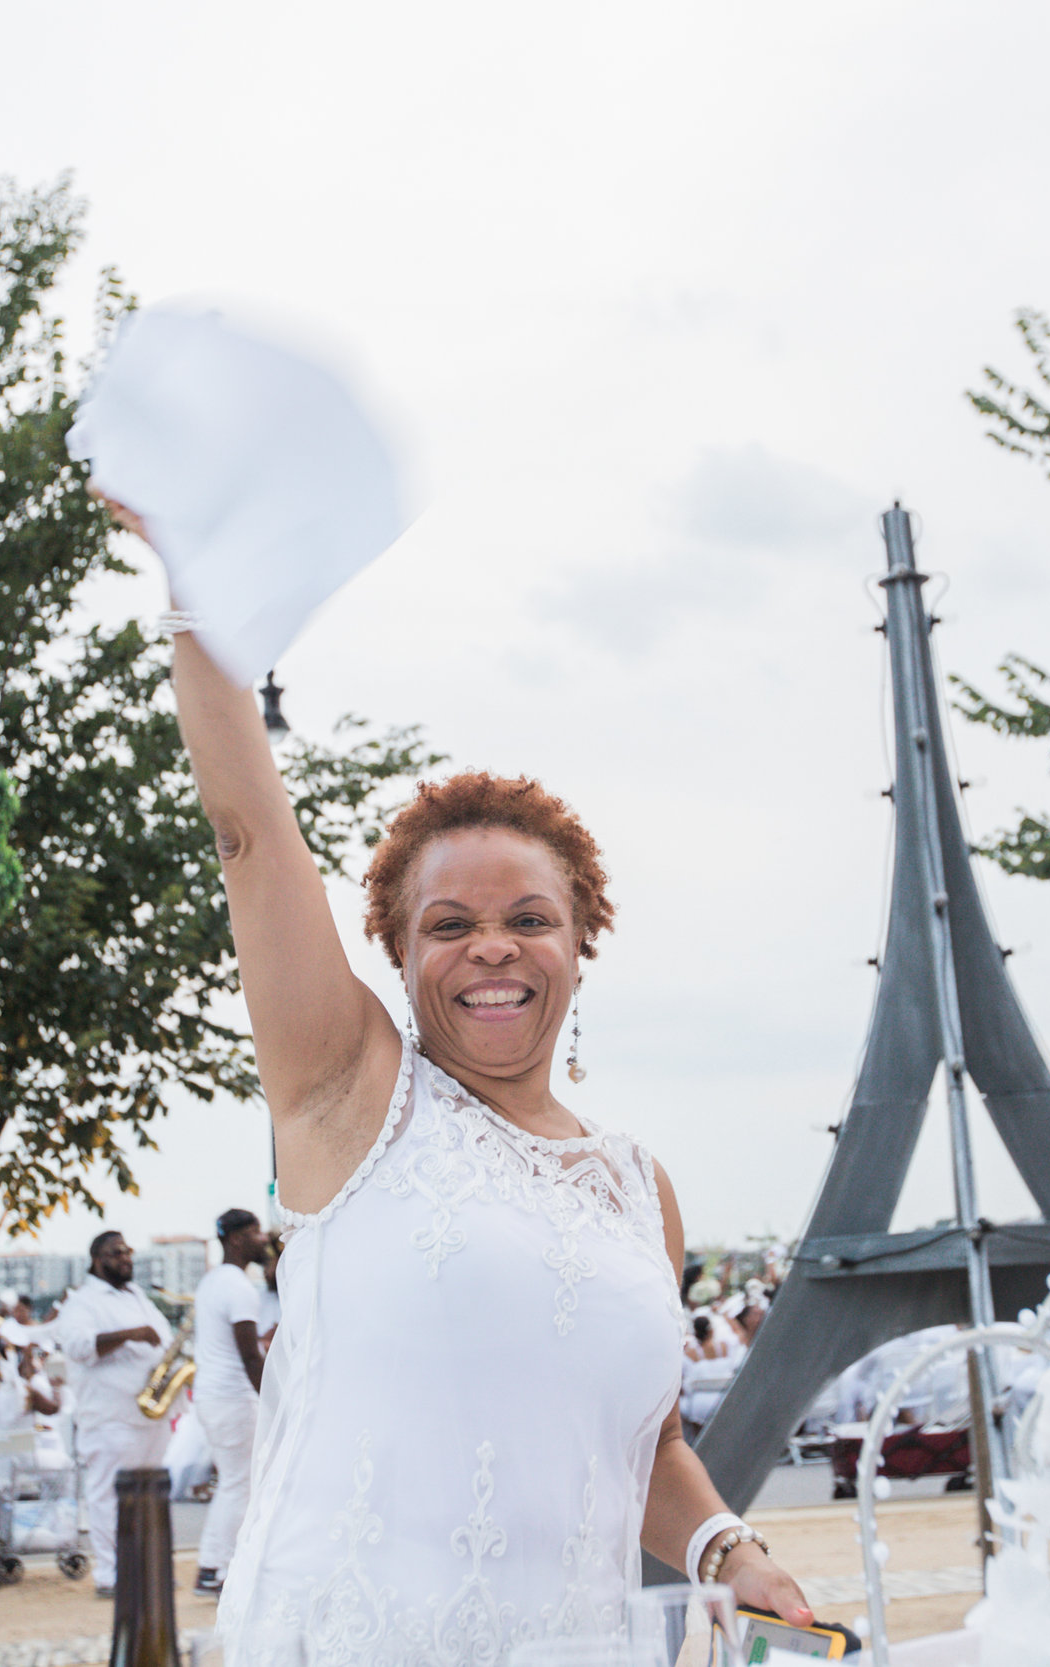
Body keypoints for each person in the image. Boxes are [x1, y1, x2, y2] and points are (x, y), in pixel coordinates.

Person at [143, 576, 815, 1664]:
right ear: (399, 955)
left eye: (528, 918)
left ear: (578, 941)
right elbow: (252, 837)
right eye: (449, 923)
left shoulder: (635, 1185)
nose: (491, 947)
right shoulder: (348, 1092)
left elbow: (640, 1444)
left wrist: (729, 1551)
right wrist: (199, 597)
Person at [48, 1229, 171, 1601]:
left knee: (148, 1495)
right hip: (109, 1416)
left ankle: (145, 1569)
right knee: (106, 1497)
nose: (127, 1258)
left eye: (128, 1250)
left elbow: (161, 1339)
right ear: (97, 1258)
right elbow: (78, 1345)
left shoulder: (137, 1295)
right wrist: (133, 1333)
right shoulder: (81, 1303)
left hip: (149, 1414)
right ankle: (110, 1575)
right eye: (118, 1252)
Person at [189, 1208, 270, 1598]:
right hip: (232, 1397)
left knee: (235, 1484)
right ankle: (214, 1569)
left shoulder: (213, 1281)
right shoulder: (238, 1286)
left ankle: (216, 1565)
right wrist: (275, 1401)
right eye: (255, 1232)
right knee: (239, 1485)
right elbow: (249, 1357)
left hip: (214, 1396)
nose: (262, 1239)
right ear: (236, 1238)